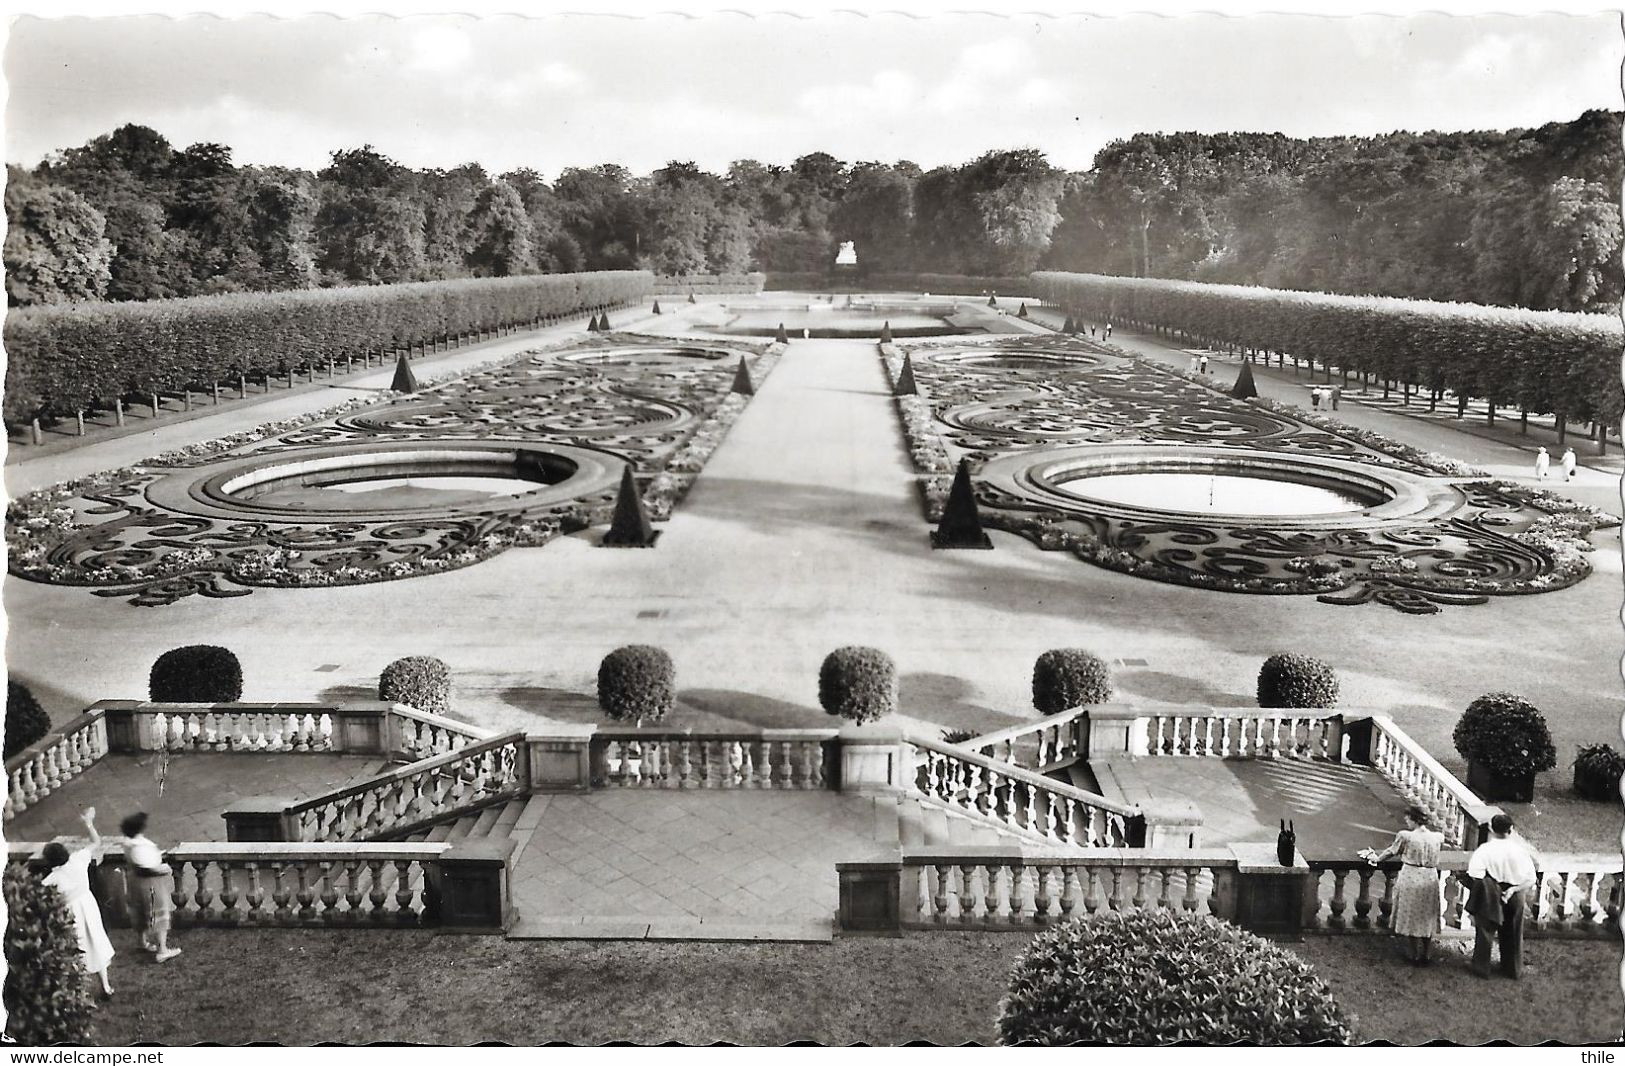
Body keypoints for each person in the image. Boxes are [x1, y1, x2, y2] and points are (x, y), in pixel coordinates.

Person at [40, 807, 116, 995]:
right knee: (95, 941)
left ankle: (79, 990)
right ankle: (105, 986)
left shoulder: (52, 878)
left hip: (70, 913)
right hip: (88, 904)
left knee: (76, 948)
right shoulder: (78, 859)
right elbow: (96, 842)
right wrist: (89, 823)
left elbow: (39, 893)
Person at [1361, 806, 1445, 965]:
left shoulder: (1406, 836)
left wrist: (1377, 859)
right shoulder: (1437, 837)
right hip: (1430, 876)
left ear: (1414, 819)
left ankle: (1414, 953)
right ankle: (1426, 953)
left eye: (1408, 819)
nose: (1407, 822)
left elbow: (1391, 851)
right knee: (1426, 915)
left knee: (1411, 914)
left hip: (1411, 875)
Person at [1465, 813, 1538, 979]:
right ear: (1511, 829)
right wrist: (1513, 889)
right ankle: (1513, 968)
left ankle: (1481, 967)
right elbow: (1531, 879)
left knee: (1485, 929)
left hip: (1491, 891)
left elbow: (1475, 874)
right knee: (1513, 930)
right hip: (1515, 893)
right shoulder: (1520, 851)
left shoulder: (1485, 850)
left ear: (1491, 828)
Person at [119, 812, 181, 962]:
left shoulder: (127, 843)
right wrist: (164, 869)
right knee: (158, 912)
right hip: (149, 883)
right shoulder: (140, 846)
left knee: (139, 911)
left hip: (134, 881)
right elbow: (147, 868)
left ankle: (141, 941)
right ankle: (162, 950)